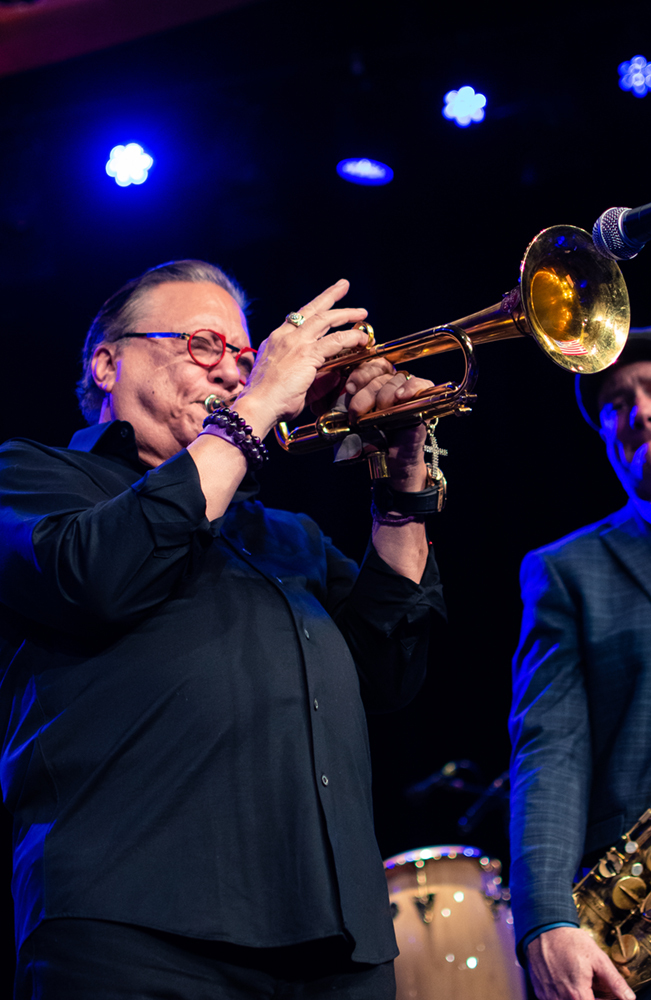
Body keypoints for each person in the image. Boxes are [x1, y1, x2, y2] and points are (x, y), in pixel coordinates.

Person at [0, 260, 445, 999]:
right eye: (205, 344)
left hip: (337, 943)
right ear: (108, 363)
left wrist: (402, 482)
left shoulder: (288, 535)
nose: (237, 370)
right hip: (132, 928)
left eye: (245, 356)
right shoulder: (32, 476)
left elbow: (389, 676)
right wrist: (262, 400)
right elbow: (98, 577)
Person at [509, 327, 651, 1000]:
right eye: (614, 401)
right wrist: (546, 916)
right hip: (648, 922)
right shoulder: (566, 570)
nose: (640, 410)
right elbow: (552, 752)